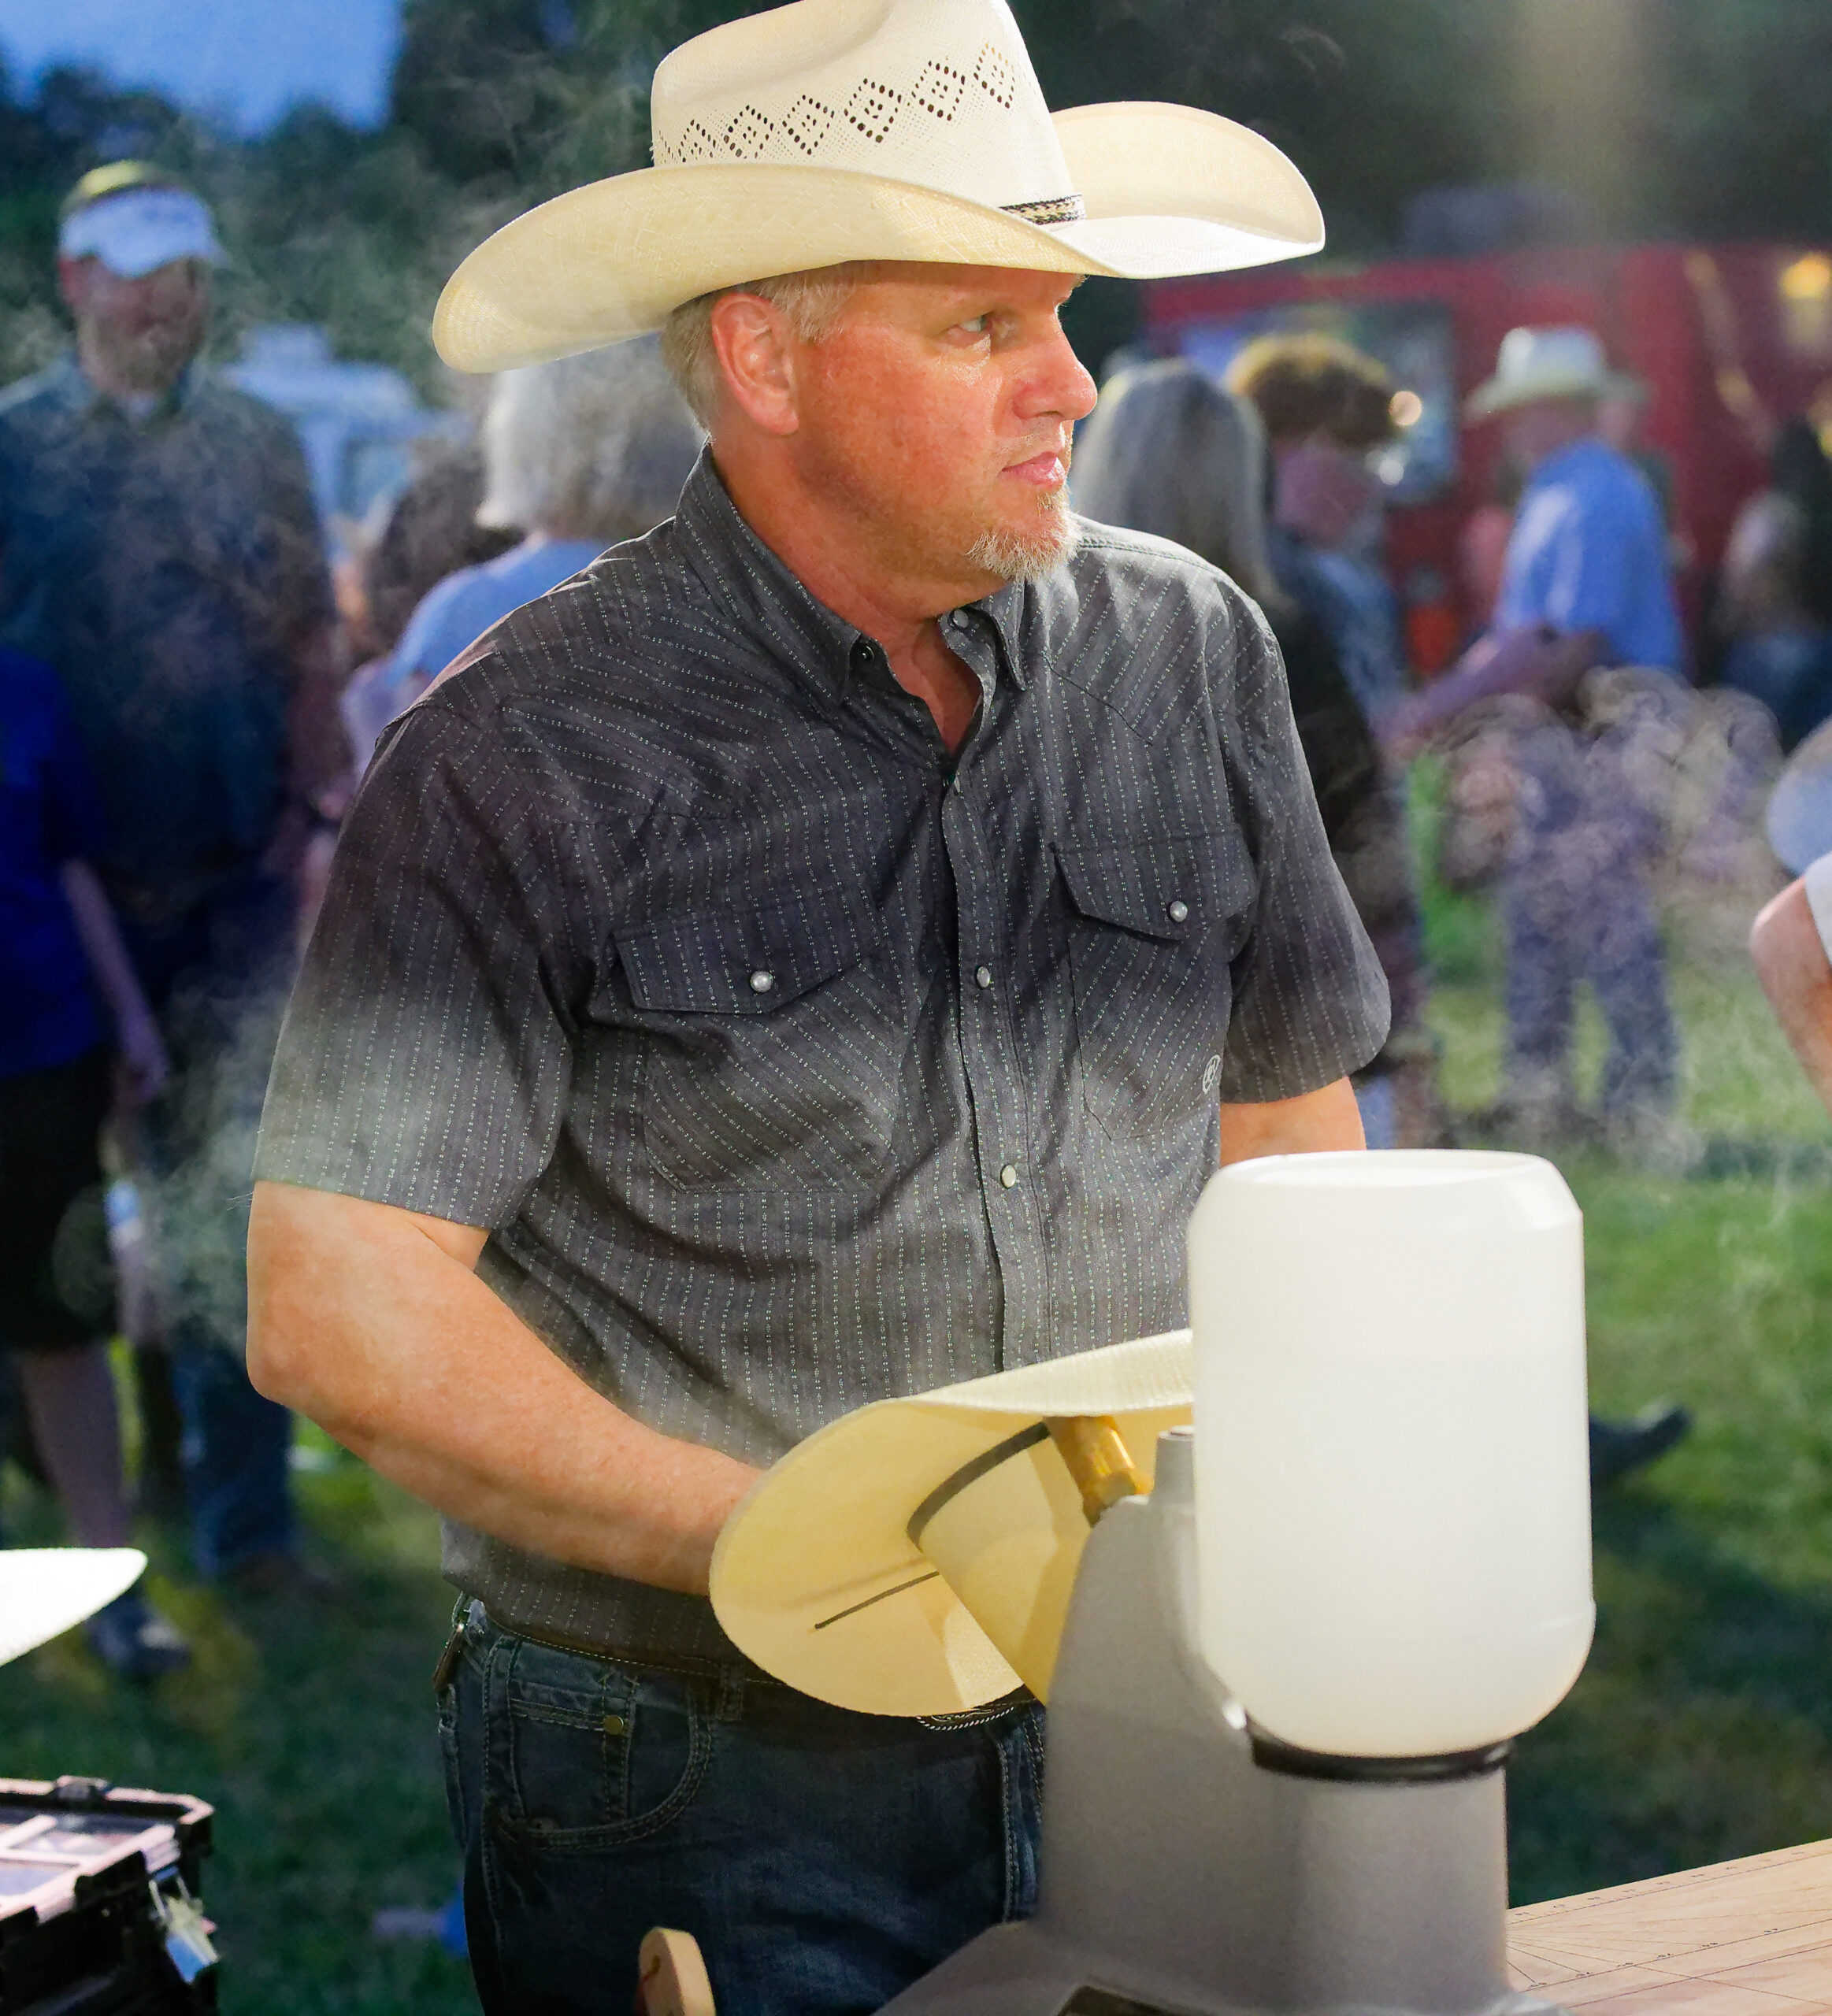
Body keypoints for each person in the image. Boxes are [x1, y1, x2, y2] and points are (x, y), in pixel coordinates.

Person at [243, 4, 1387, 2010]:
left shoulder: (1186, 649)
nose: (1070, 382)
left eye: (1065, 310)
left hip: (1156, 1688)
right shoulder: (521, 750)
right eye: (981, 329)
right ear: (764, 356)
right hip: (692, 1765)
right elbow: (338, 1297)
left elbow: (1288, 1120)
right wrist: (810, 1551)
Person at [0, 161, 341, 1592]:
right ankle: (102, 1519)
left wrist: (313, 808)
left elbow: (311, 635)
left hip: (230, 879)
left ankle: (247, 1536)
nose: (166, 300)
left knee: (232, 1207)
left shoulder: (257, 439)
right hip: (57, 903)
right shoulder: (15, 448)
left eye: (185, 274)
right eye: (137, 272)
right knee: (59, 1225)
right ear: (78, 279)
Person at [1073, 358, 1433, 1147]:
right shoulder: (1281, 637)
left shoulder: (1035, 646)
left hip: (1096, 1055)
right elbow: (1359, 835)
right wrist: (1404, 1021)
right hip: (1285, 1045)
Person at [0, 643, 190, 1677]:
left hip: (38, 1047)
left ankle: (110, 1590)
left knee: (62, 1327)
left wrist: (128, 1017)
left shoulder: (25, 683)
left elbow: (70, 862)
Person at [342, 339, 701, 770]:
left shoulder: (471, 609)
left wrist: (368, 723)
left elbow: (408, 805)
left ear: (524, 431)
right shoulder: (708, 594)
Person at [1227, 331, 1408, 725]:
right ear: (1280, 447)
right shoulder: (1256, 593)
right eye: (1355, 453)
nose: (1373, 483)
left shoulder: (1333, 574)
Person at [1717, 419, 1832, 750]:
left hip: (1770, 647)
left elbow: (1744, 575)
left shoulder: (1770, 514)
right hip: (1821, 649)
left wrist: (1726, 623)